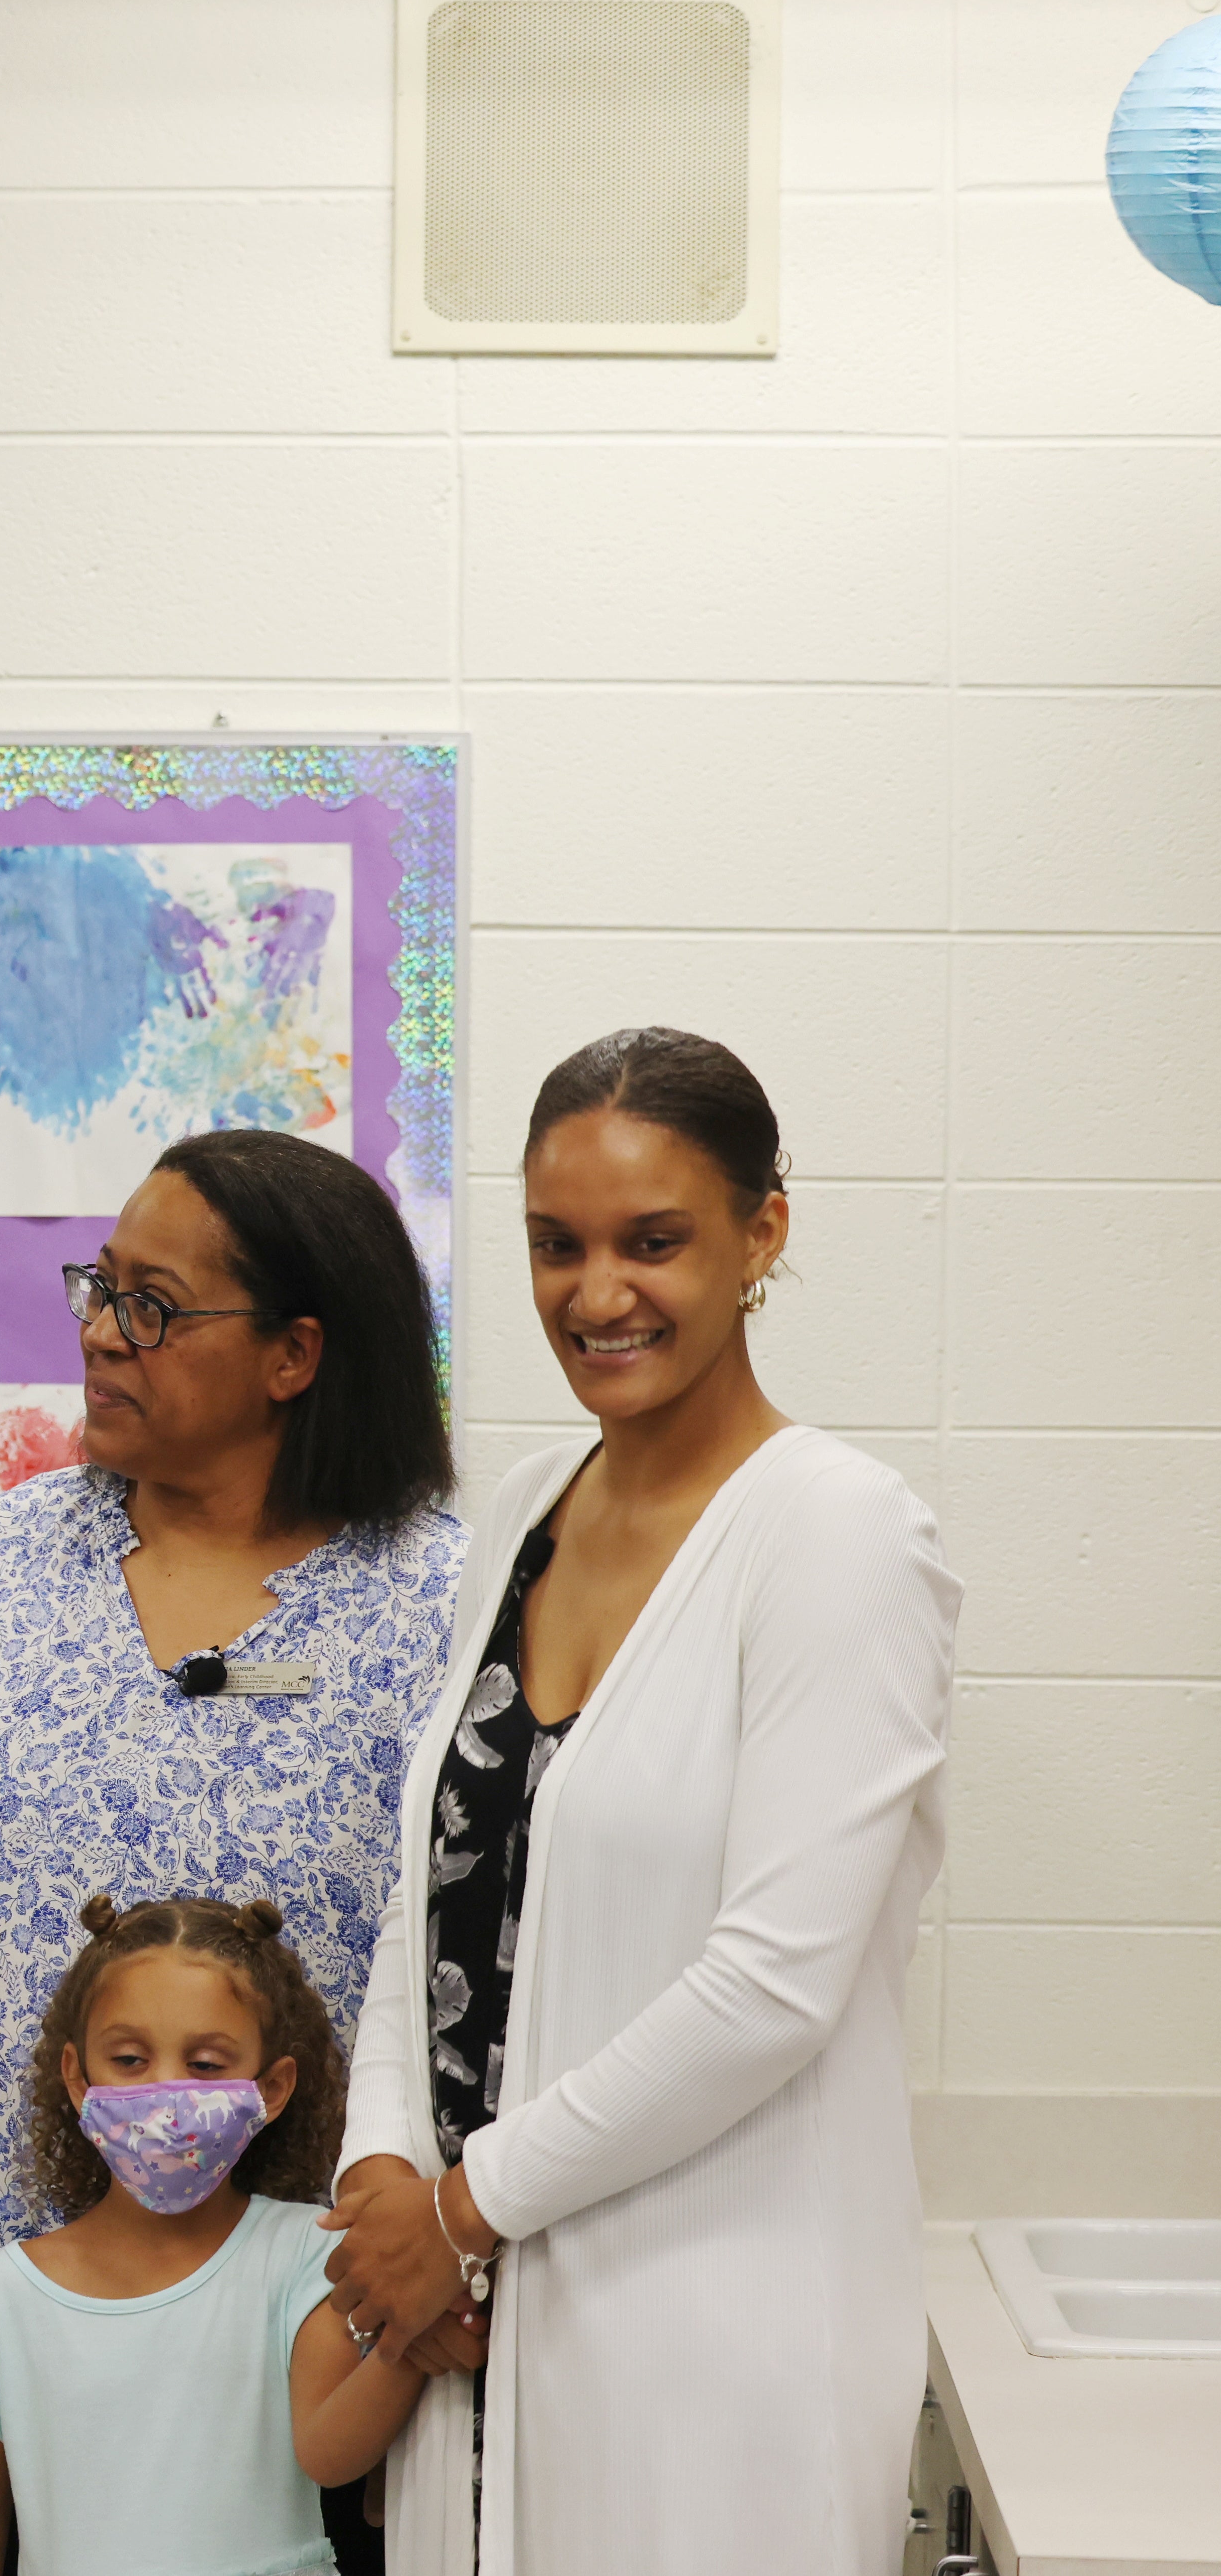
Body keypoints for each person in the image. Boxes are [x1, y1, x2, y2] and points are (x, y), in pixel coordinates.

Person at [0, 1130, 468, 2576]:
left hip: (298, 2319)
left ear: (295, 1354)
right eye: (100, 1287)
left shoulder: (438, 1601)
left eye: (155, 1305)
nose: (101, 1332)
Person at [318, 1029, 956, 2576]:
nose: (597, 1293)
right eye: (558, 1244)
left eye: (652, 1240)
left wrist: (462, 2205)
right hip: (463, 2336)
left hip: (717, 2341)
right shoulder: (525, 1512)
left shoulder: (840, 1535)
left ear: (764, 1232)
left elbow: (770, 1982)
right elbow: (433, 1877)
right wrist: (382, 2172)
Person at [0, 1897, 460, 2576]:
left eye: (205, 2064)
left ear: (272, 2088)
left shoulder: (307, 2254)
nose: (167, 2089)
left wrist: (407, 2341)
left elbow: (328, 2453)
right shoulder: (9, 2293)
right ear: (76, 2074)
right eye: (129, 2057)